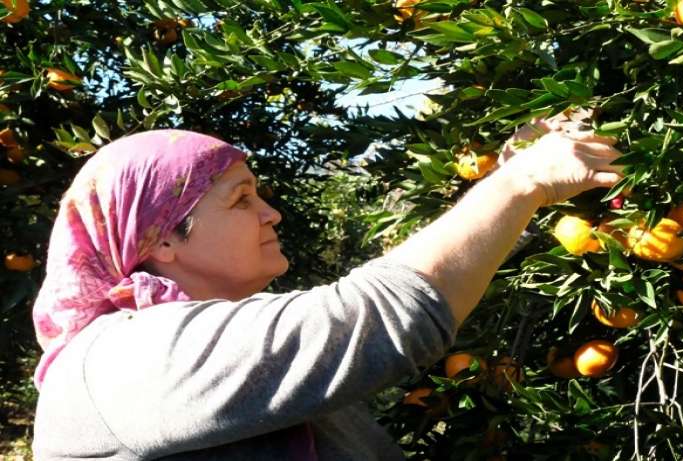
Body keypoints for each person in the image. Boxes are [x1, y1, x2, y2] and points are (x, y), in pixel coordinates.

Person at [30, 115, 622, 460]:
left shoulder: (221, 335)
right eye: (241, 199)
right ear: (159, 241)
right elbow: (382, 314)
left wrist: (505, 194)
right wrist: (522, 183)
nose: (271, 214)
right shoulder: (124, 358)